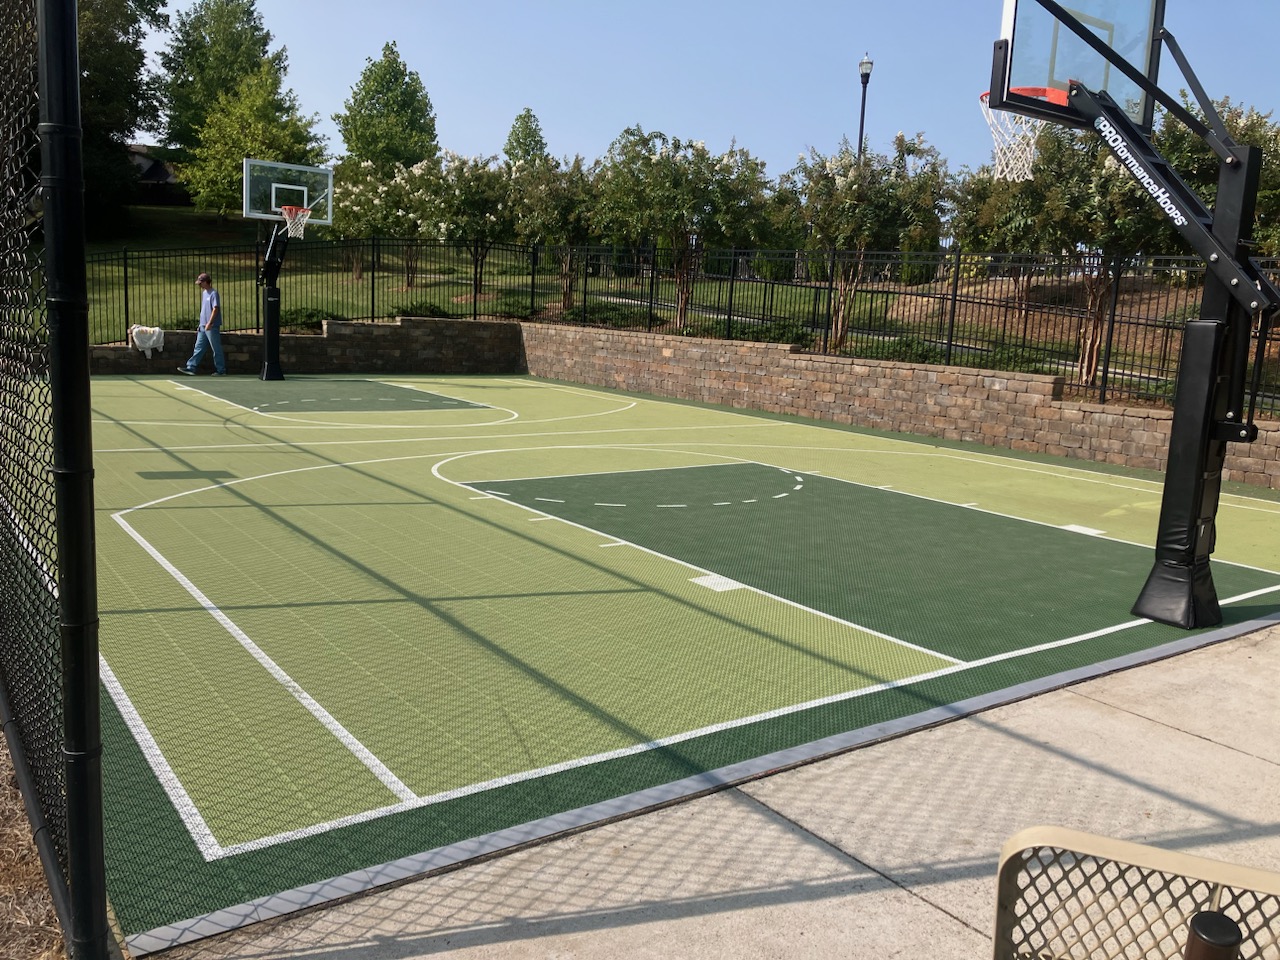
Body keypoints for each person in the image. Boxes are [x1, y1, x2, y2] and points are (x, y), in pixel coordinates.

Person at [178, 272, 226, 376]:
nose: (199, 285)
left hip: (211, 326)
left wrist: (210, 322)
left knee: (216, 348)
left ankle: (221, 370)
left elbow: (215, 309)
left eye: (201, 283)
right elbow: (204, 310)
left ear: (206, 282)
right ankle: (191, 367)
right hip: (203, 326)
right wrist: (201, 324)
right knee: (198, 347)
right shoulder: (204, 293)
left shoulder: (213, 293)